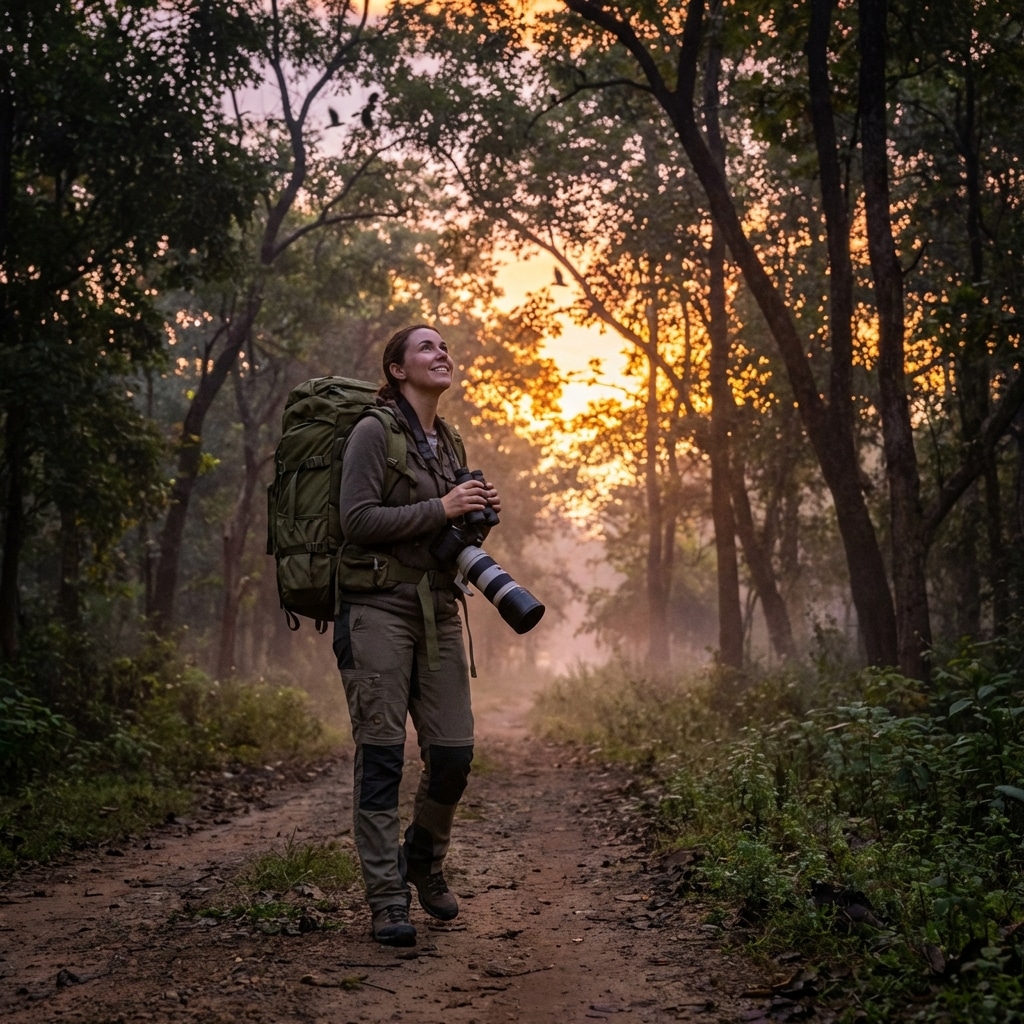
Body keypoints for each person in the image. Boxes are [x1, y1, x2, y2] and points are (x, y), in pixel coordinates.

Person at [333, 324, 500, 947]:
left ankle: (424, 861)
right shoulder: (374, 431)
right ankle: (386, 899)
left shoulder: (447, 441)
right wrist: (445, 508)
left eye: (444, 346)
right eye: (426, 347)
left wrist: (474, 515)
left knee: (453, 754)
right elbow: (357, 519)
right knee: (380, 759)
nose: (442, 353)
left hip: (438, 606)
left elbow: (442, 535)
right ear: (398, 370)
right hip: (376, 608)